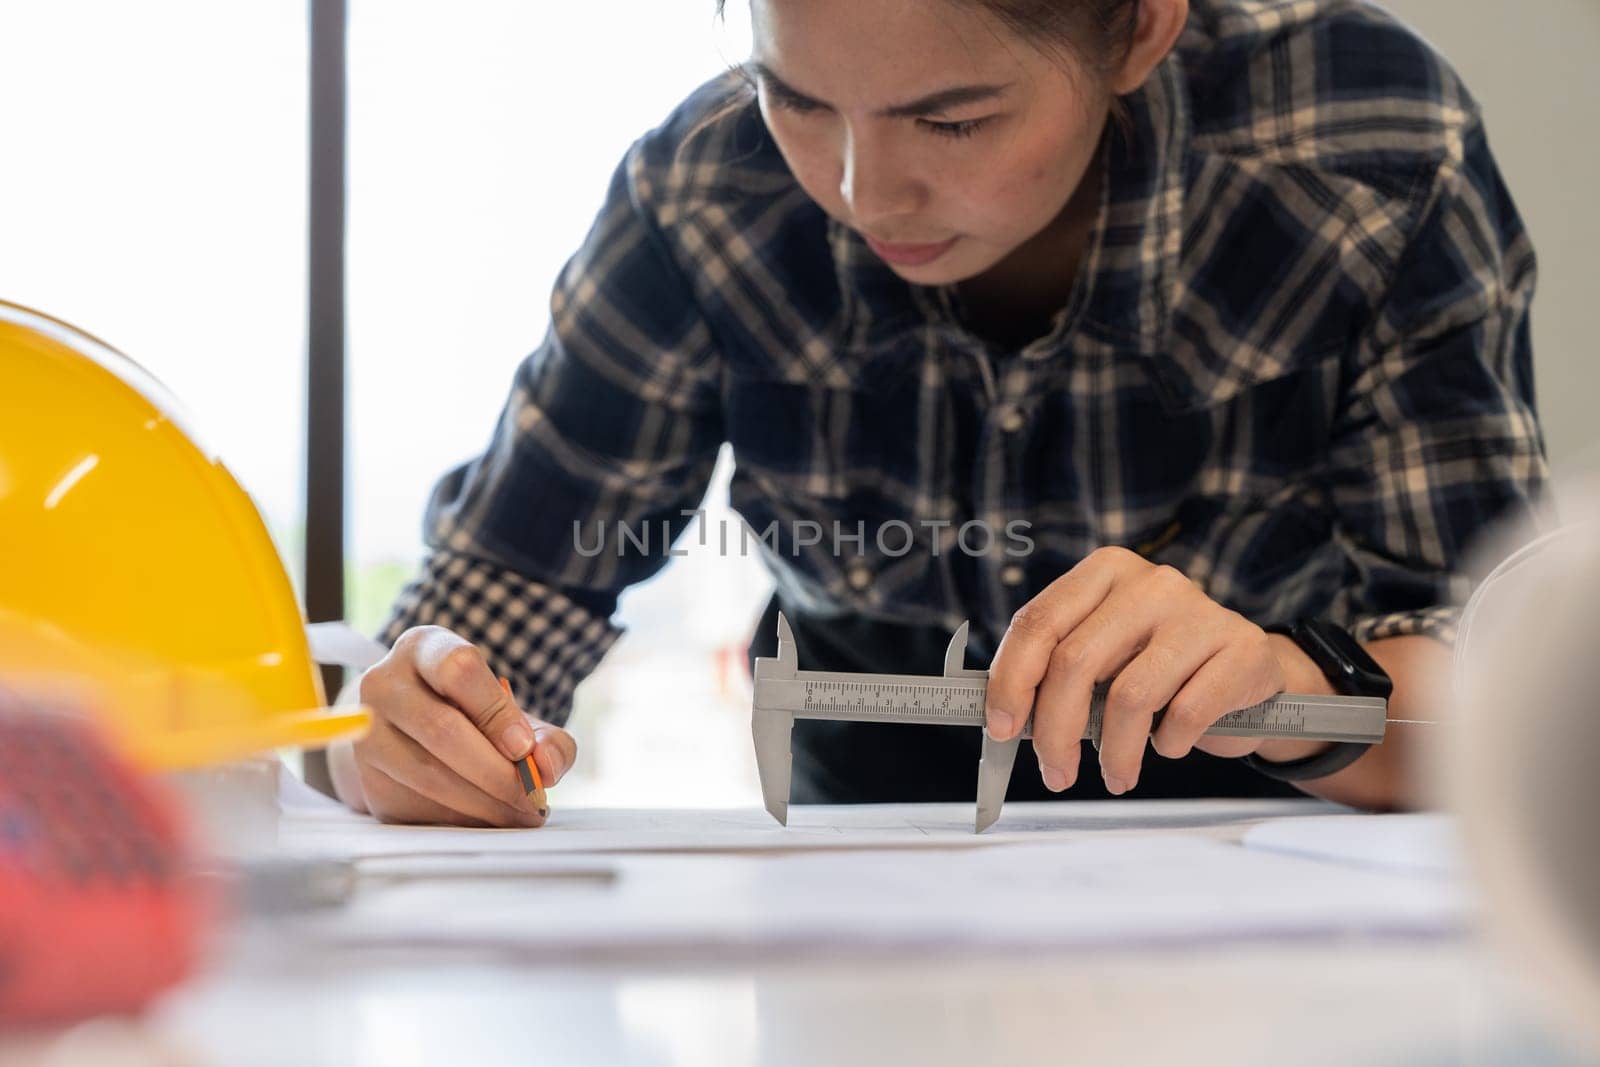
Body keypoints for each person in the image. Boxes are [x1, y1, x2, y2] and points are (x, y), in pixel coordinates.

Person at [328, 0, 1547, 827]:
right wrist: (400, 734)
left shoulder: (1364, 151)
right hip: (861, 841)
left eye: (952, 119)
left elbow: (1510, 702)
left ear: (1139, 28)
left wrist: (1285, 683)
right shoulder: (703, 187)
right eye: (794, 98)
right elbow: (490, 607)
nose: (861, 191)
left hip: (1280, 827)